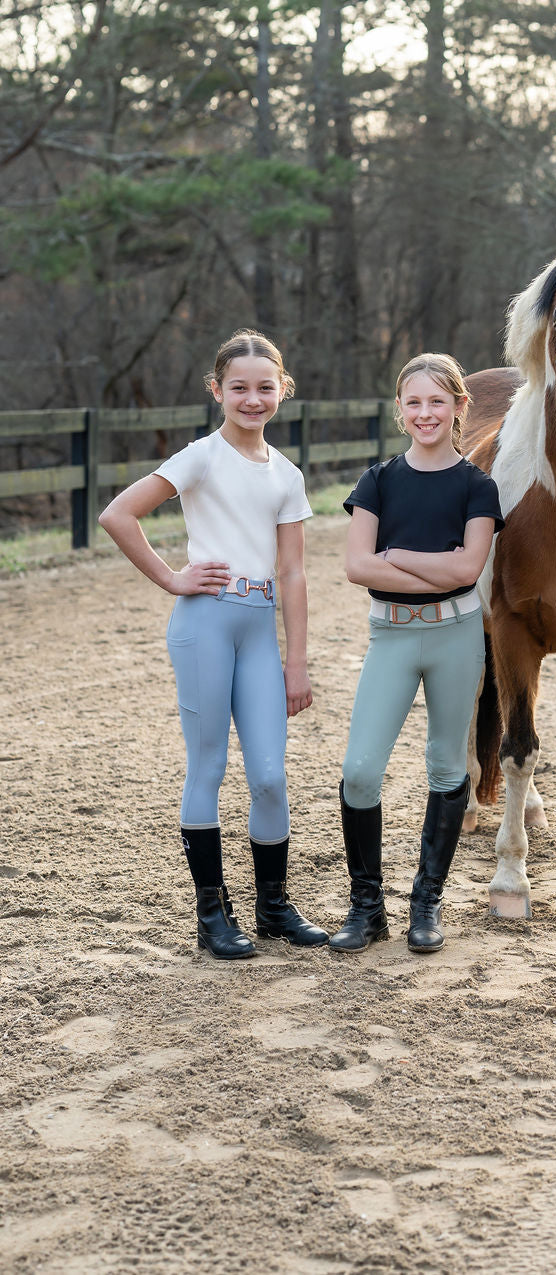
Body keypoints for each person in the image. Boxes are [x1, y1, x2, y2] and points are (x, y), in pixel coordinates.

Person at [98, 329, 327, 960]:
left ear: (283, 389)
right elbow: (118, 514)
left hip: (258, 627)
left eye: (264, 387)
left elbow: (294, 573)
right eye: (239, 388)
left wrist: (296, 661)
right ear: (217, 391)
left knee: (272, 777)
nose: (252, 400)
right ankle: (212, 914)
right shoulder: (200, 457)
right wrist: (173, 577)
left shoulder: (286, 473)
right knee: (209, 766)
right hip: (204, 624)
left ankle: (274, 909)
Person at [330, 352, 503, 956]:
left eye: (437, 402)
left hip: (456, 638)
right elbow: (356, 566)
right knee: (360, 770)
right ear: (400, 410)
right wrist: (434, 568)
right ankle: (366, 907)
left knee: (445, 767)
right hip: (392, 636)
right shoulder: (377, 481)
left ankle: (425, 905)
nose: (425, 413)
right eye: (414, 402)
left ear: (460, 407)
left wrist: (395, 556)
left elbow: (468, 567)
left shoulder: (478, 487)